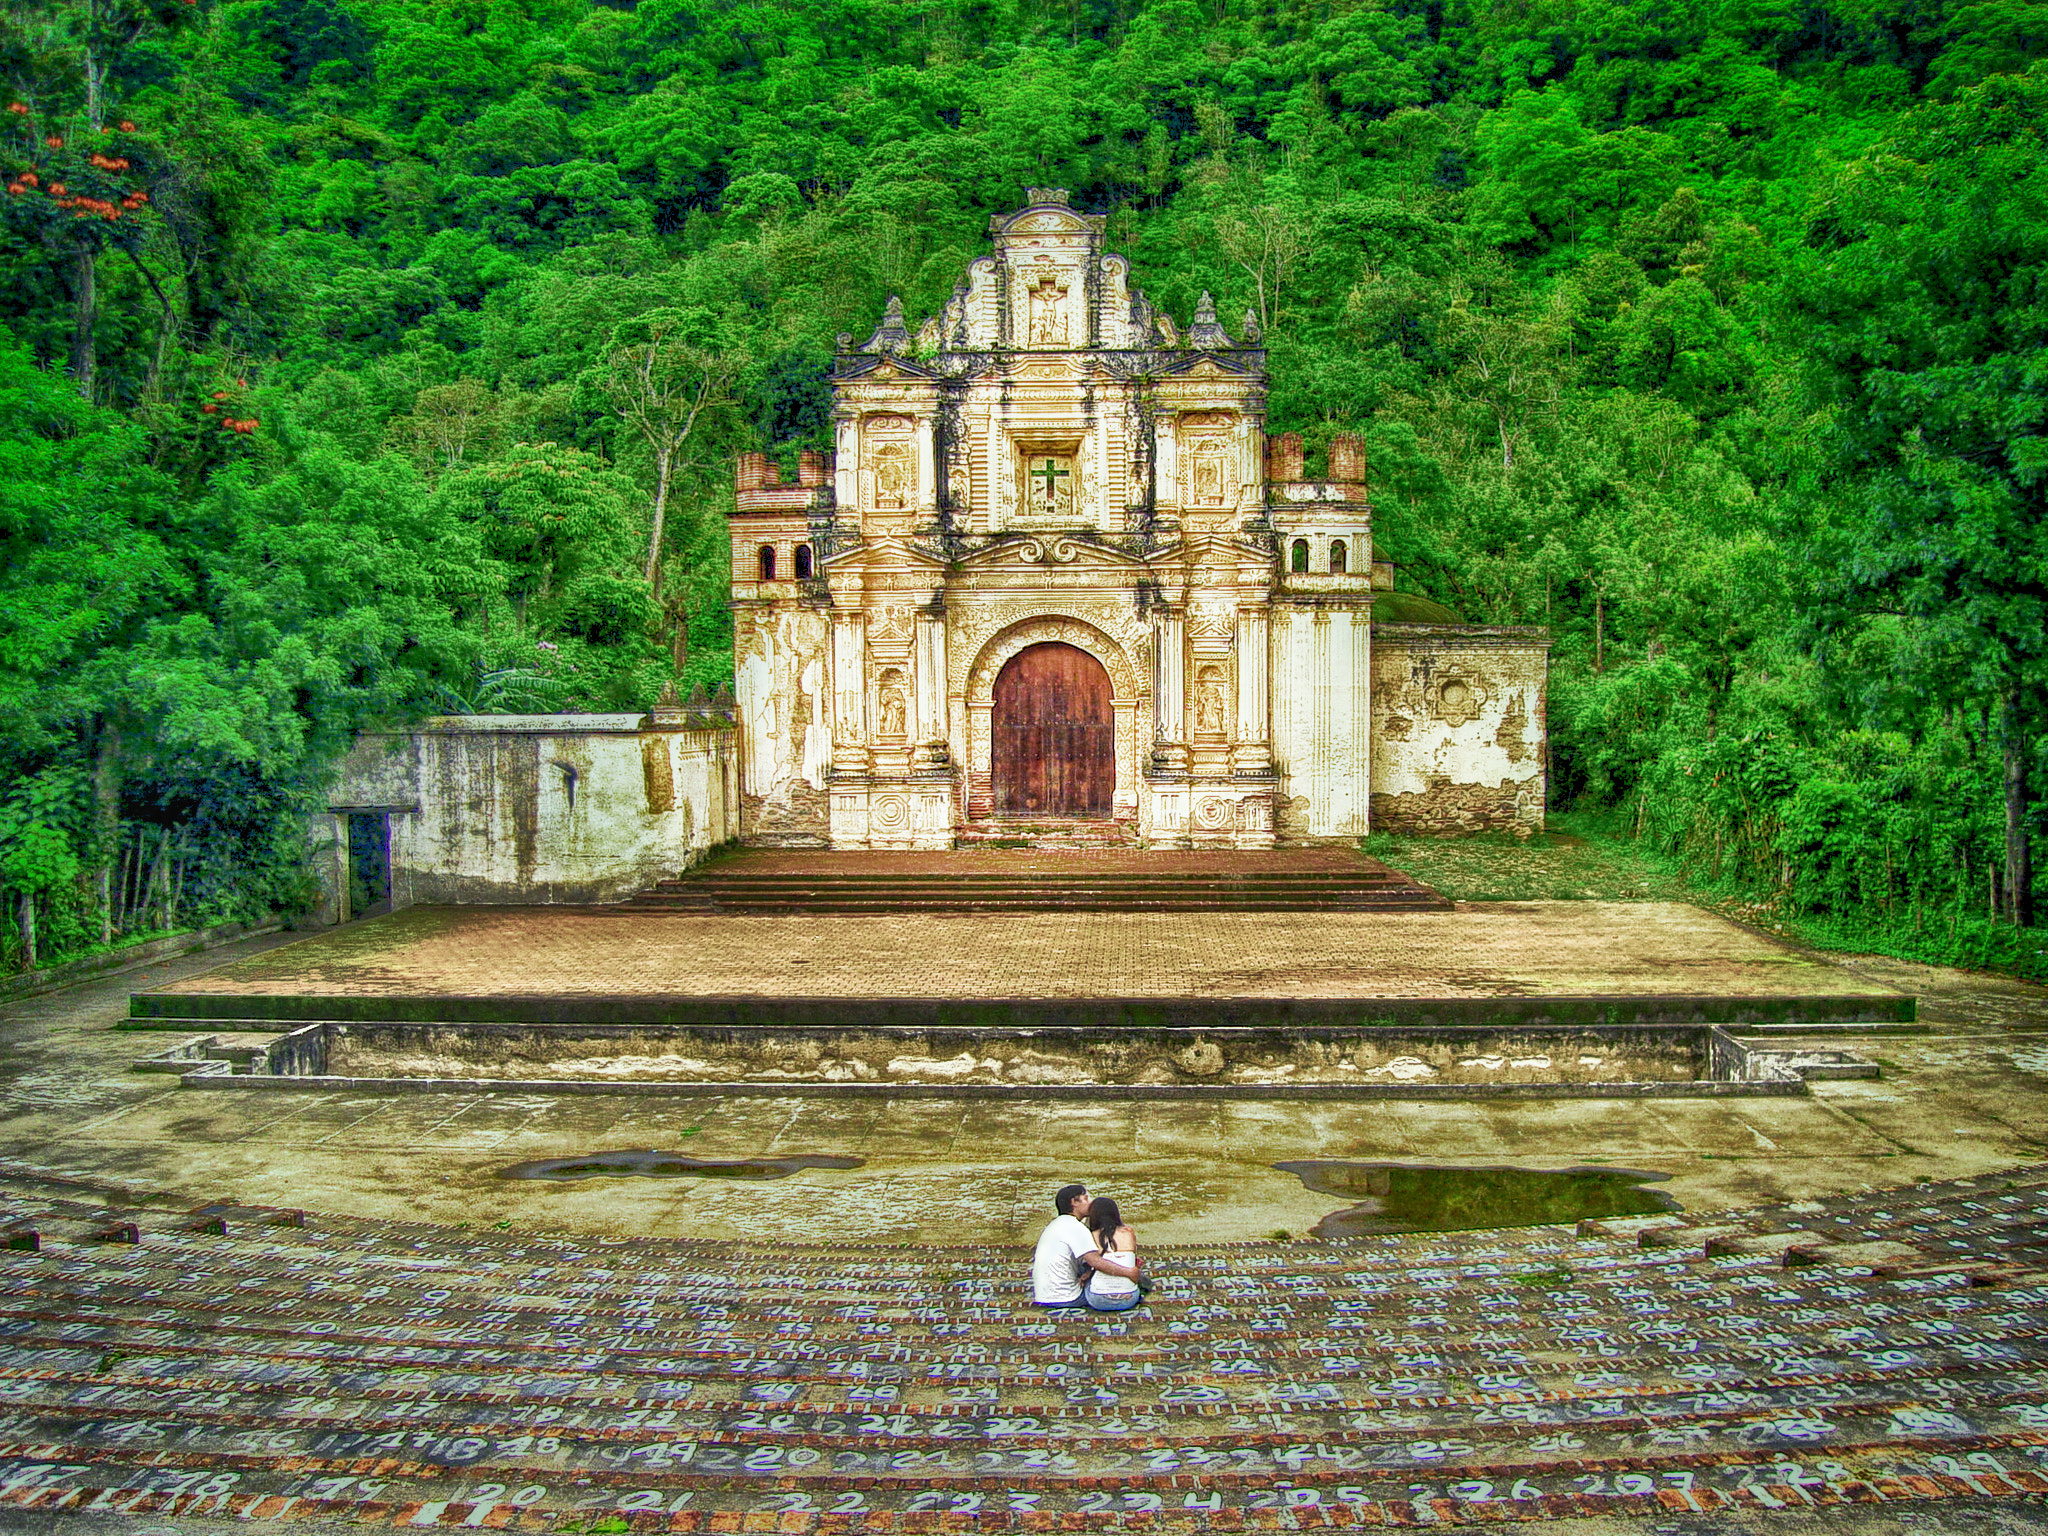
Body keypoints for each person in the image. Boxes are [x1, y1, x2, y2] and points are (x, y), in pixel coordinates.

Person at [1030, 1184, 1124, 1307]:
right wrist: (1129, 1273)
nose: (1090, 1203)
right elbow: (1096, 1262)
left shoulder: (1057, 1224)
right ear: (1074, 1202)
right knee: (1112, 1280)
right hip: (1066, 1297)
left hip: (1044, 1296)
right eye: (1085, 1198)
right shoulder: (1075, 1227)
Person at [1080, 1197, 1143, 1312]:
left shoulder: (1091, 1235)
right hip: (1129, 1299)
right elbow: (1133, 1260)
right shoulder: (1129, 1232)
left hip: (1098, 1300)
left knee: (1085, 1276)